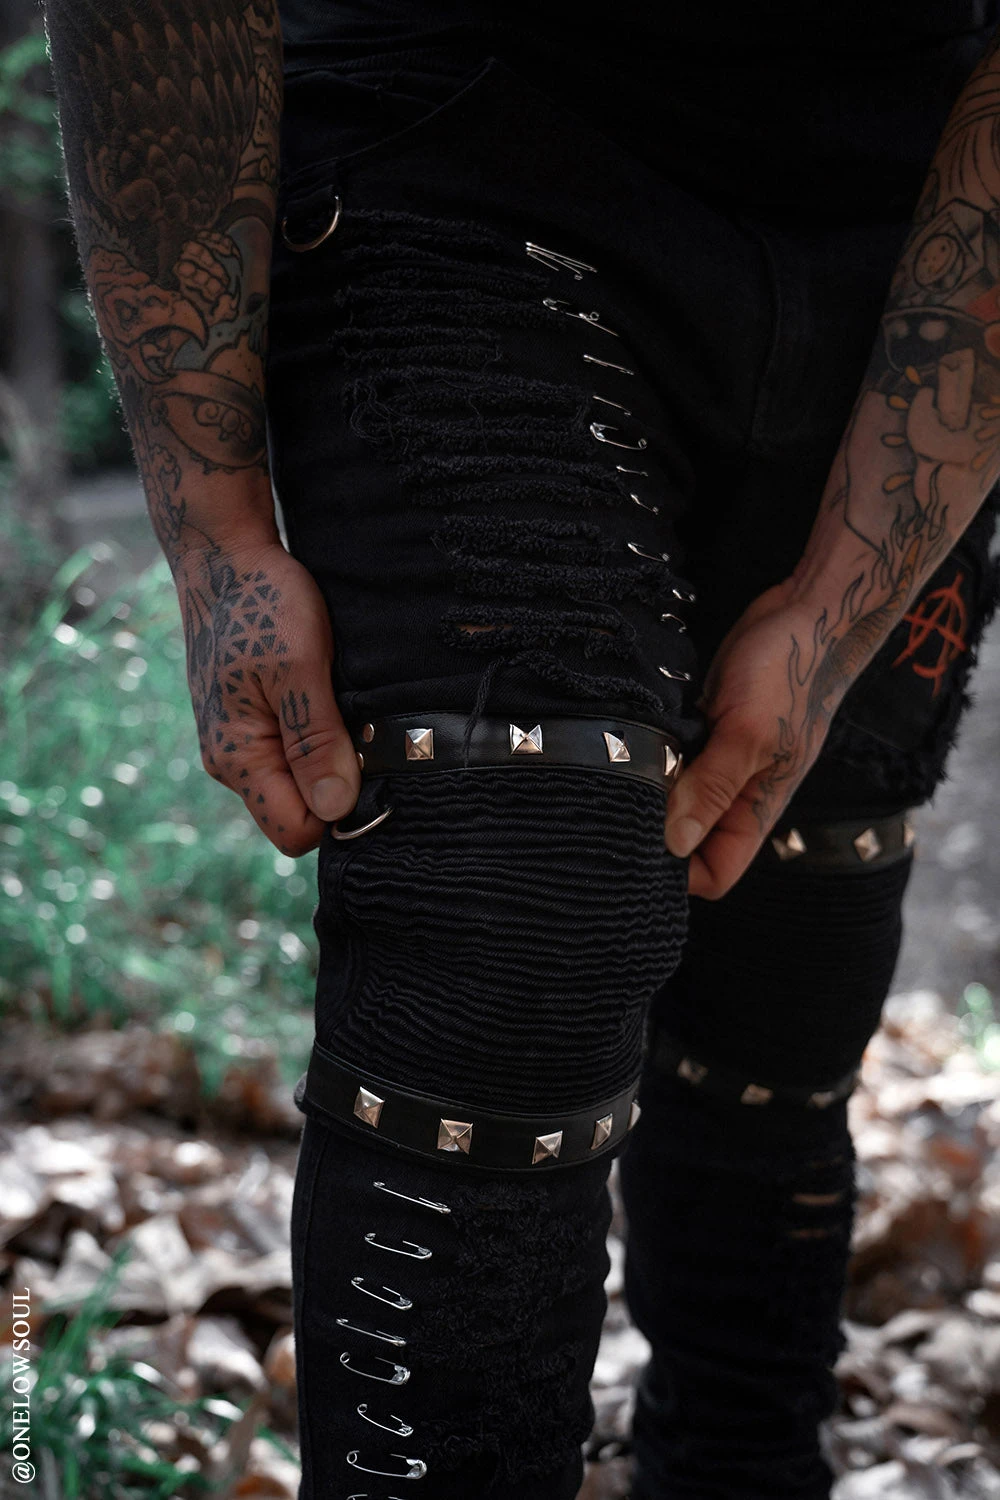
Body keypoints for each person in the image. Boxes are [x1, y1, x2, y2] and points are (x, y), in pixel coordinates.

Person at [44, 2, 1000, 1496]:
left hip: (919, 202)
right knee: (510, 922)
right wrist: (214, 526)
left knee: (792, 961)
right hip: (463, 144)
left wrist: (834, 612)